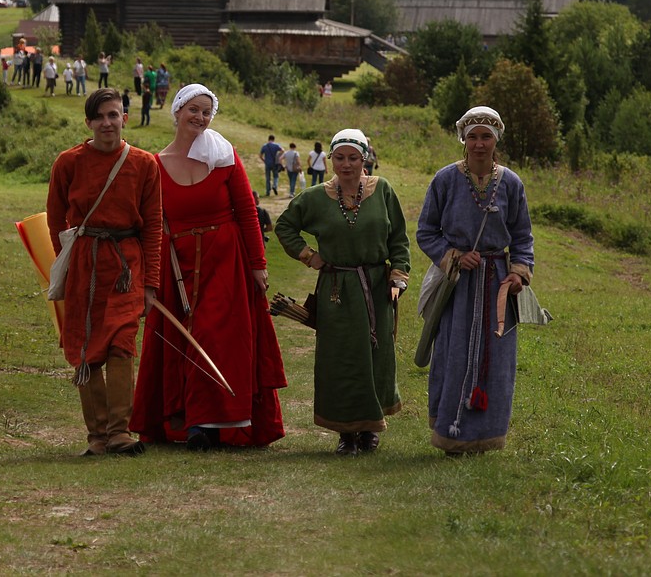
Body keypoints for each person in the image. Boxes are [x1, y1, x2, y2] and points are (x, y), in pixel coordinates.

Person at [131, 84, 286, 450]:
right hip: (177, 264)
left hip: (225, 260)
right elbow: (150, 222)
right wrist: (150, 276)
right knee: (182, 341)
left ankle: (210, 424)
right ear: (178, 112)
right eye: (193, 110)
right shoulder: (155, 164)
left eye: (206, 112)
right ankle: (187, 419)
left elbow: (248, 212)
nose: (199, 118)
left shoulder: (224, 156)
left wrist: (257, 263)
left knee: (217, 338)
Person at [274, 128, 411, 456]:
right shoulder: (317, 196)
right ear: (330, 159)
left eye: (353, 158)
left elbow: (399, 239)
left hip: (377, 287)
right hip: (337, 290)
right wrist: (310, 256)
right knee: (340, 359)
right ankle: (345, 434)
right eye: (339, 158)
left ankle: (369, 429)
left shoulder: (384, 191)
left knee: (375, 357)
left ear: (365, 159)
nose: (346, 164)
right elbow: (285, 226)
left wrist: (397, 276)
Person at [48, 89, 163, 456]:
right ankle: (96, 437)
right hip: (84, 262)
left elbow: (154, 228)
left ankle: (119, 433)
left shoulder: (145, 164)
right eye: (99, 116)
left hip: (126, 266)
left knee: (121, 343)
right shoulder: (68, 162)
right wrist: (66, 264)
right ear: (88, 123)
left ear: (124, 118)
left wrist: (151, 284)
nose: (107, 123)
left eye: (113, 115)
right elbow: (54, 221)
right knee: (87, 350)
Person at [416, 106, 534, 454]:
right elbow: (426, 231)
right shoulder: (444, 180)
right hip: (458, 284)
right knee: (454, 352)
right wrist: (453, 255)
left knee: (497, 359)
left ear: (496, 140)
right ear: (463, 140)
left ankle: (488, 436)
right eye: (473, 136)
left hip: (497, 283)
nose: (479, 143)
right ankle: (450, 433)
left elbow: (523, 237)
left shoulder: (511, 182)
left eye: (486, 136)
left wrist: (518, 271)